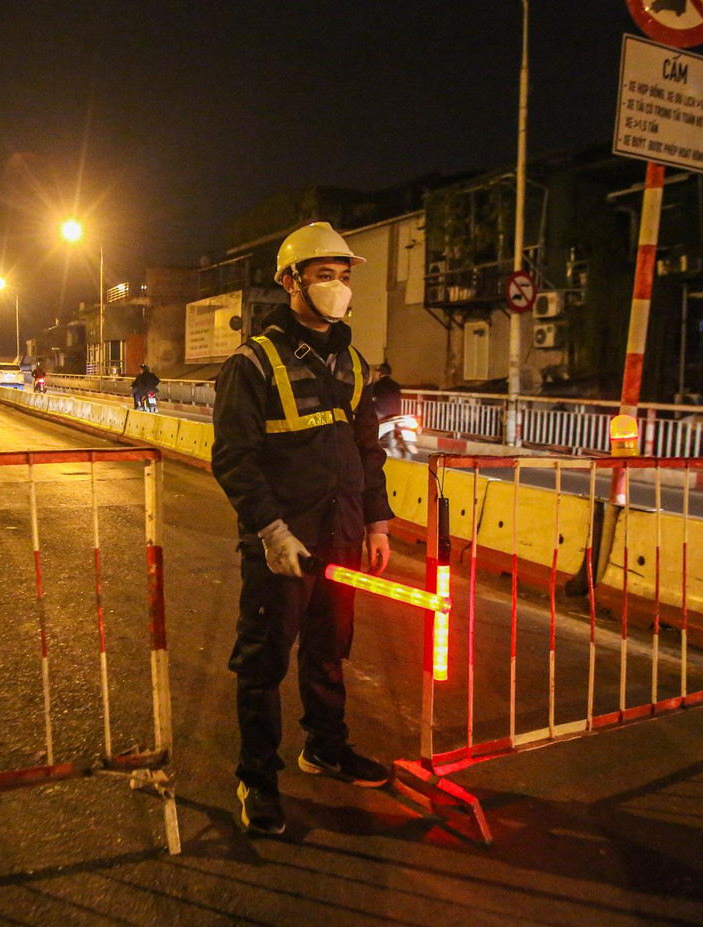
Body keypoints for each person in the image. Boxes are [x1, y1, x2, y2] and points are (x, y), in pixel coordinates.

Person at [212, 221, 394, 836]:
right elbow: (234, 457)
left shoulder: (352, 361)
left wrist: (376, 522)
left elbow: (367, 450)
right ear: (291, 281)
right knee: (263, 663)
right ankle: (258, 778)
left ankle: (325, 747)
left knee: (328, 651)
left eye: (343, 276)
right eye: (323, 275)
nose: (337, 287)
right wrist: (270, 530)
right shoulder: (252, 363)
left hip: (341, 533)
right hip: (283, 543)